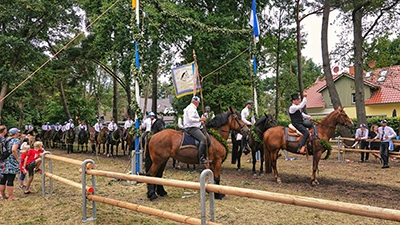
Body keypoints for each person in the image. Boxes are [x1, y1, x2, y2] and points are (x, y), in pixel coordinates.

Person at [183, 96, 207, 164]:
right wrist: (200, 119)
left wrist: (201, 122)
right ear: (196, 102)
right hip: (191, 128)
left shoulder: (190, 107)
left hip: (194, 127)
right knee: (203, 139)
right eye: (198, 103)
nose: (198, 104)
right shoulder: (191, 108)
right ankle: (201, 158)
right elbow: (191, 119)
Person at [0, 127, 21, 200]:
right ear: (16, 133)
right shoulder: (16, 140)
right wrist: (17, 158)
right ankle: (11, 196)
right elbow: (13, 150)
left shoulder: (5, 139)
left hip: (4, 161)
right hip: (11, 161)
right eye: (18, 132)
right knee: (10, 179)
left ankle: (3, 195)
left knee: (3, 179)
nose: (19, 133)